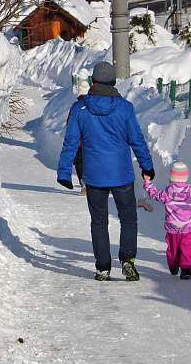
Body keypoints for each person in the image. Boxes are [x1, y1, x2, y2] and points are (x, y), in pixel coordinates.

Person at [57, 61, 155, 282]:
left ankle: (103, 267)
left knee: (99, 221)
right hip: (121, 174)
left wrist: (64, 172)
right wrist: (146, 165)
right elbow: (137, 140)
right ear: (113, 82)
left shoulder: (79, 108)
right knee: (128, 218)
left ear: (93, 81)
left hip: (94, 175)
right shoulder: (124, 108)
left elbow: (71, 142)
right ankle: (128, 259)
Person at [141, 161, 191, 280]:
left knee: (172, 247)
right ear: (186, 176)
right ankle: (186, 269)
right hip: (189, 227)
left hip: (172, 227)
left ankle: (173, 265)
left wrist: (147, 182)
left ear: (172, 176)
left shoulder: (168, 191)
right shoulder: (190, 191)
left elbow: (155, 194)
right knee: (188, 247)